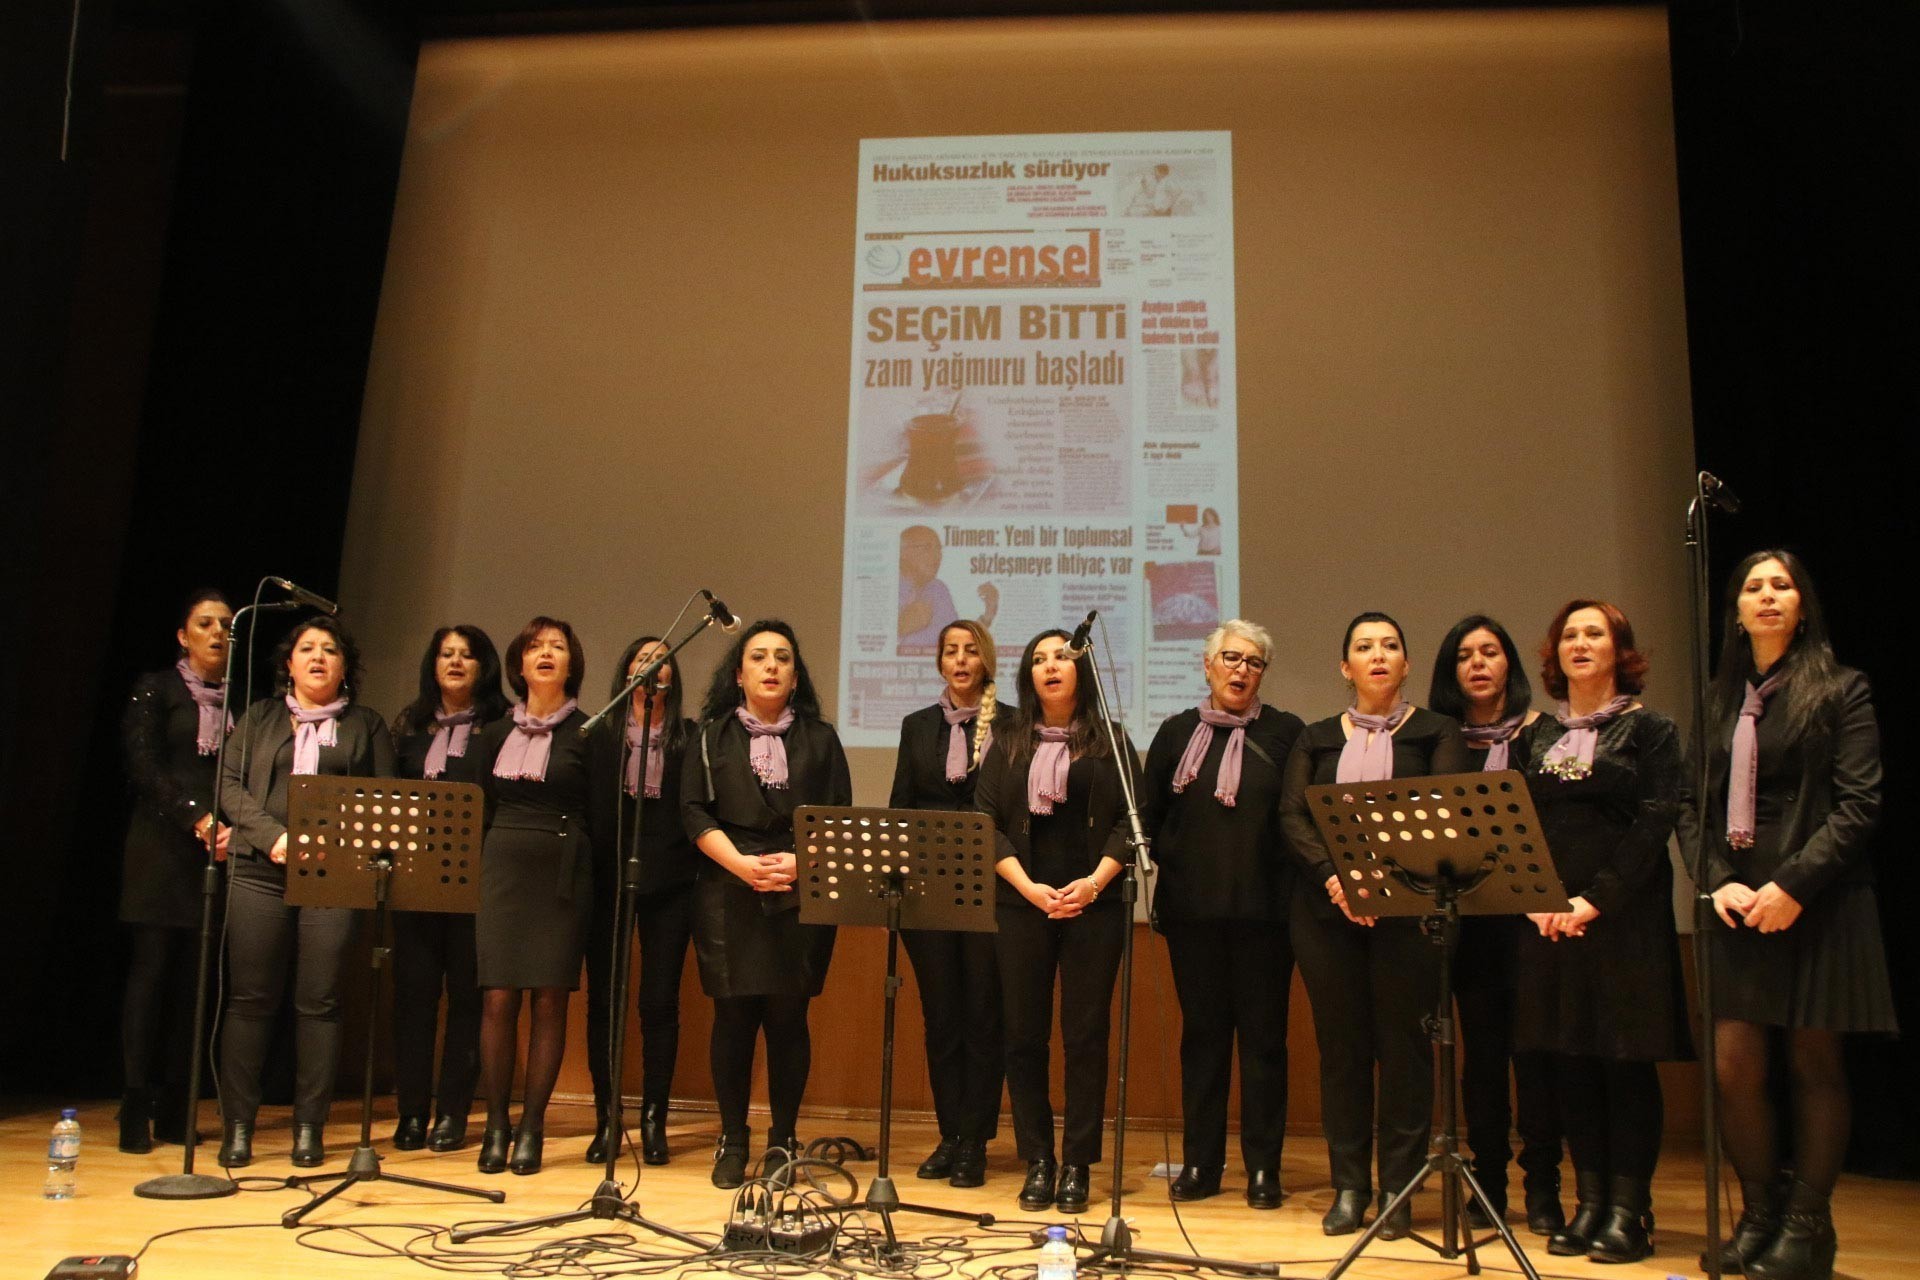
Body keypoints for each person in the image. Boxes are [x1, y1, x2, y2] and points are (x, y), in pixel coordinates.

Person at [1693, 552, 1892, 1280]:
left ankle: (1810, 1227)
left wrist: (1795, 886)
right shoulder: (1717, 698)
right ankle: (1760, 1213)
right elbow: (1693, 808)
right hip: (1737, 903)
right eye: (1753, 588)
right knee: (1734, 1066)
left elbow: (1859, 803)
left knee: (1814, 1063)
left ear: (1803, 608)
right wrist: (1716, 880)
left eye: (1782, 586)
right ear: (1737, 612)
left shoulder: (1842, 689)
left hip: (1821, 899)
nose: (1768, 597)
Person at [1279, 611, 1468, 1239]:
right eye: (1364, 646)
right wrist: (1339, 882)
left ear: (1407, 664)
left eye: (1390, 646)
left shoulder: (1438, 732)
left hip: (1409, 914)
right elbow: (1295, 820)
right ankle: (1351, 1186)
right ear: (1345, 666)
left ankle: (1401, 1189)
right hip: (1327, 913)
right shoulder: (1313, 739)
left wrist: (1381, 885)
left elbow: (1440, 811)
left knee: (1405, 1052)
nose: (1378, 655)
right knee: (1343, 1052)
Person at [1512, 599, 1689, 1264]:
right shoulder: (1536, 738)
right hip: (1548, 923)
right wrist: (1536, 896)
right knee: (1569, 1062)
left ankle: (1628, 1211)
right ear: (1555, 655)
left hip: (1622, 921)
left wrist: (1593, 901)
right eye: (1569, 636)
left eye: (1596, 634)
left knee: (1623, 1065)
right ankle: (1588, 1205)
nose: (1580, 644)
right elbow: (1518, 822)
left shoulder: (1652, 732)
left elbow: (1654, 823)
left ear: (1621, 650)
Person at [217, 614, 394, 1169]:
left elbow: (383, 800)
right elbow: (228, 784)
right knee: (250, 999)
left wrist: (332, 845)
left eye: (331, 650)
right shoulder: (261, 717)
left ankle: (308, 1129)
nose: (318, 657)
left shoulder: (366, 725)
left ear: (345, 669)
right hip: (258, 869)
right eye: (307, 649)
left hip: (334, 875)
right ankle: (238, 1127)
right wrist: (273, 838)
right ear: (288, 664)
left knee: (318, 1002)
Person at [682, 620, 851, 1188]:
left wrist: (802, 862)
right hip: (727, 885)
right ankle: (733, 1138)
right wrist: (741, 865)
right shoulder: (709, 736)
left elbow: (841, 819)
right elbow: (694, 813)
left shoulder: (821, 739)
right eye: (759, 657)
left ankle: (782, 1138)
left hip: (801, 886)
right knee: (733, 1017)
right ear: (739, 673)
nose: (771, 666)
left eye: (783, 657)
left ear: (796, 675)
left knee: (787, 1018)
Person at [1140, 620, 1303, 1209]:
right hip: (1192, 916)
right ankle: (1202, 1164)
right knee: (1203, 1042)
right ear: (1207, 666)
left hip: (1267, 916)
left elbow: (1298, 820)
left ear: (1263, 673)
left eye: (1253, 662)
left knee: (1264, 1044)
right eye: (1230, 658)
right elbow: (1148, 817)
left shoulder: (1287, 734)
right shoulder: (1174, 732)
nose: (1241, 670)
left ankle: (1264, 1169)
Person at [975, 628, 1138, 1215]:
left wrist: (1094, 883)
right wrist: (1028, 886)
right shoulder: (1006, 739)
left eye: (1063, 658)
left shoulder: (1110, 741)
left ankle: (1078, 1163)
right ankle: (1038, 1159)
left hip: (1093, 906)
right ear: (1028, 676)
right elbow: (985, 821)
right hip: (1022, 903)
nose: (1051, 667)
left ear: (1080, 674)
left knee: (1086, 1037)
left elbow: (1129, 823)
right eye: (1039, 659)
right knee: (1023, 1036)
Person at [1427, 615, 1565, 1233]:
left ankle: (1544, 1186)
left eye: (1489, 651)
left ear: (1510, 662)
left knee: (1535, 1055)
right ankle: (1486, 1181)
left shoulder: (1550, 734)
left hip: (1533, 917)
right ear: (1451, 672)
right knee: (1479, 1060)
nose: (1478, 663)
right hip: (1470, 924)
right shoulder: (1441, 741)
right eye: (1464, 655)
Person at [471, 617, 592, 1176]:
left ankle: (531, 1128)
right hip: (502, 866)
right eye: (534, 647)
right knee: (498, 997)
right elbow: (479, 808)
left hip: (563, 871)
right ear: (519, 665)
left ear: (572, 664)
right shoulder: (492, 733)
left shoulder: (591, 733)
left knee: (549, 998)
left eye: (557, 647)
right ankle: (496, 1123)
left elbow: (601, 812)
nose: (546, 654)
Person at [887, 620, 1004, 1189]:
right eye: (950, 651)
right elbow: (900, 805)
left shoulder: (1010, 724)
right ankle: (950, 1132)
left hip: (991, 891)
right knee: (942, 1019)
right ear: (939, 662)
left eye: (970, 650)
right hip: (929, 894)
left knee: (983, 1016)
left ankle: (976, 1140)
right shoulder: (917, 727)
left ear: (986, 661)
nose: (960, 660)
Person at [117, 589, 235, 1152]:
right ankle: (134, 1104)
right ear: (184, 636)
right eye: (206, 624)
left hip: (216, 851)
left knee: (197, 984)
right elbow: (143, 764)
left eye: (227, 626)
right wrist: (196, 816)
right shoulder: (157, 688)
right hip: (162, 846)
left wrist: (227, 825)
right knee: (151, 974)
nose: (218, 633)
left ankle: (177, 1104)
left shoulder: (242, 701)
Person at [387, 625, 508, 1153]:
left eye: (467, 655)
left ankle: (452, 1113)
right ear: (432, 665)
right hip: (413, 881)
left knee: (467, 999)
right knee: (413, 998)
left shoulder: (501, 727)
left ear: (484, 667)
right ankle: (411, 1112)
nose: (455, 663)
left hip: (476, 881)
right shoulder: (409, 726)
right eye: (446, 654)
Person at [583, 636, 700, 1166]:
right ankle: (607, 1118)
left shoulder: (689, 737)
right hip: (608, 877)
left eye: (663, 659)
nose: (653, 665)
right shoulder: (601, 735)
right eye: (642, 658)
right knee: (605, 1000)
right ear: (626, 672)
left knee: (659, 1001)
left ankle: (654, 1118)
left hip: (672, 880)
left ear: (673, 676)